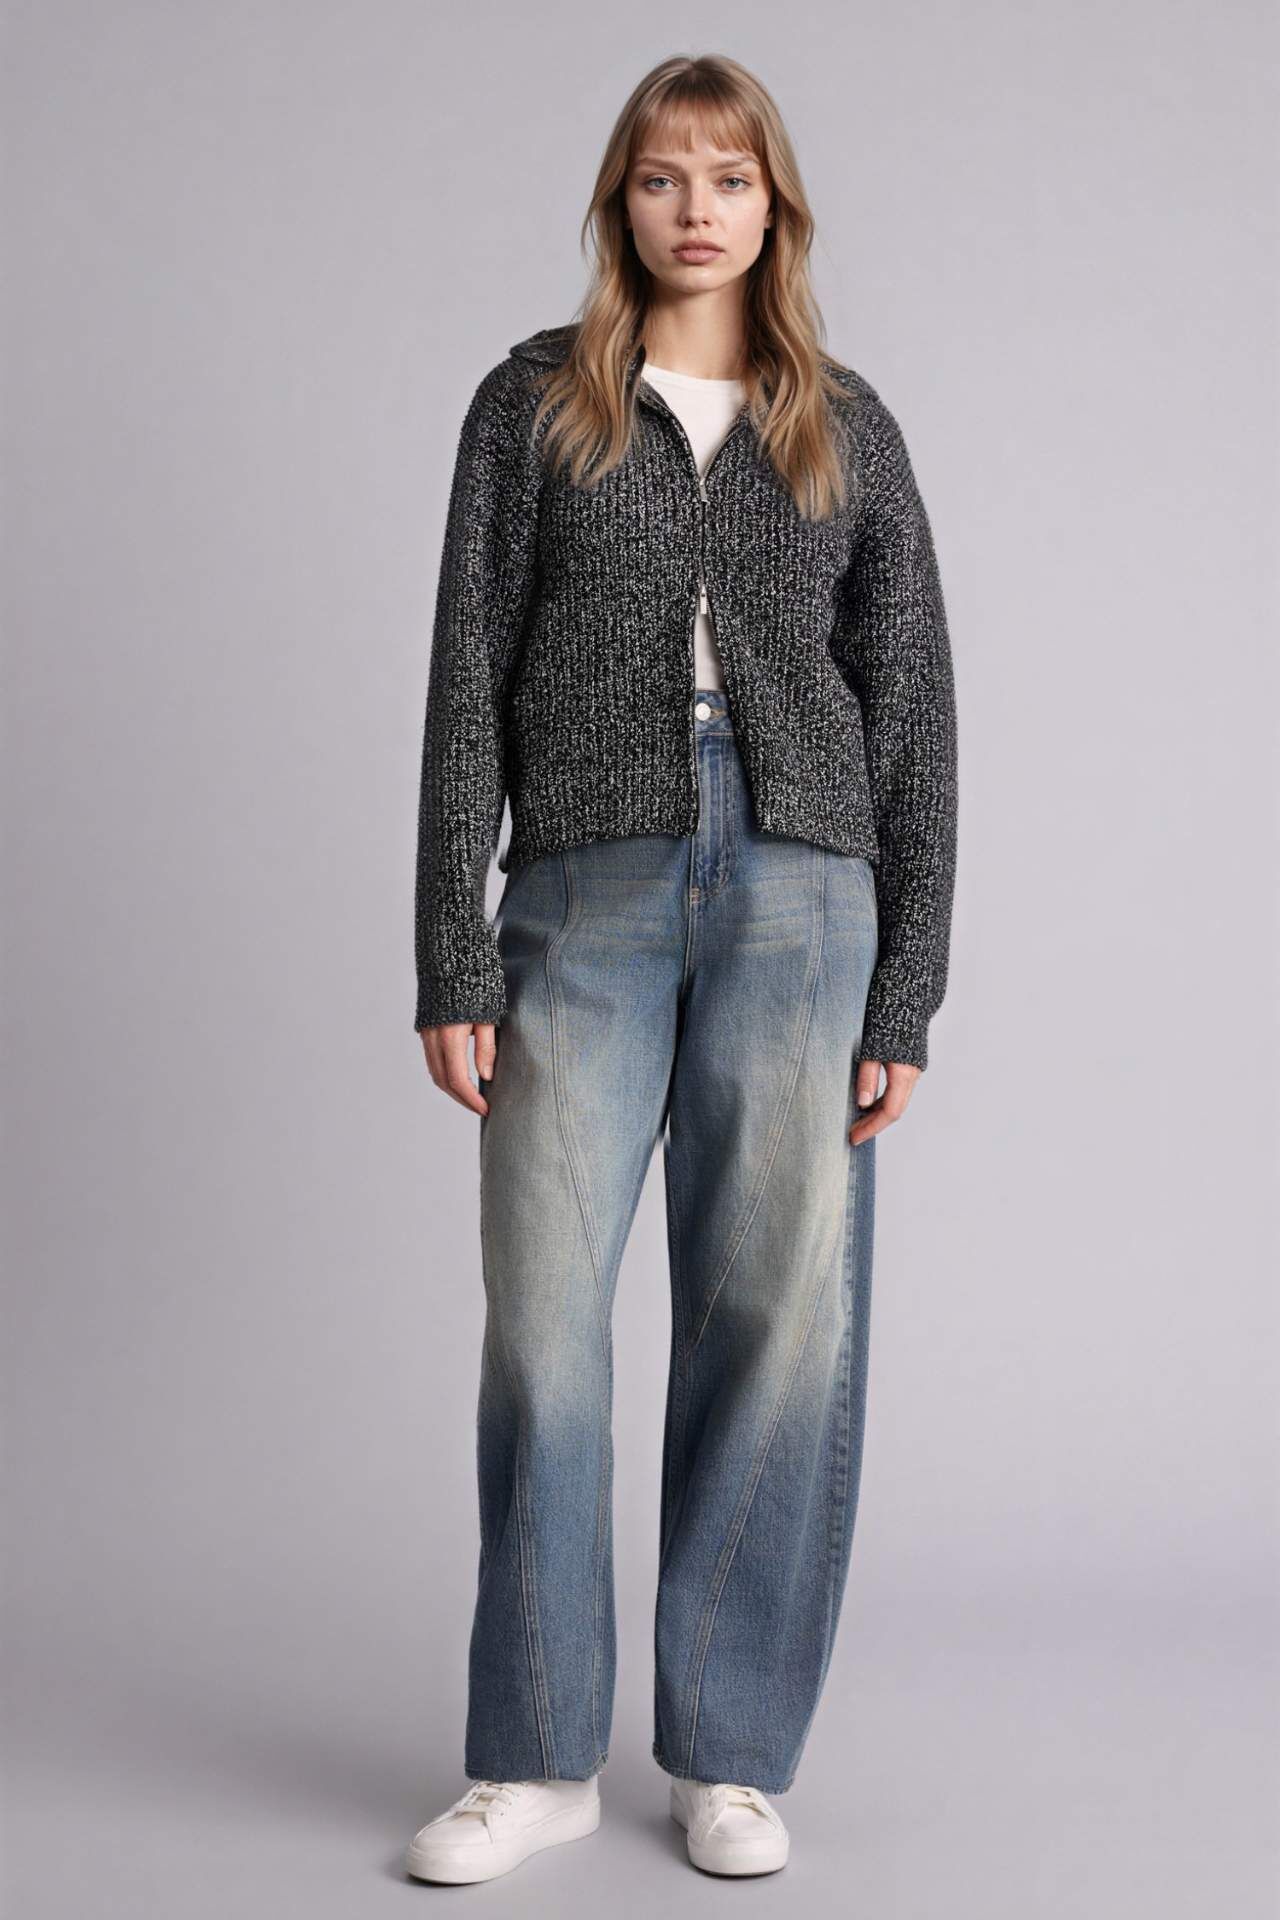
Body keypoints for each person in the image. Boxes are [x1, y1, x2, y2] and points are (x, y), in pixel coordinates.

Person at [405, 52, 959, 1885]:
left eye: (729, 178)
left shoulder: (847, 428)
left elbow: (914, 712)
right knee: (544, 1320)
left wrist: (907, 988)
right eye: (662, 178)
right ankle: (533, 1756)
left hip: (805, 894)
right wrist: (451, 949)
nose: (695, 209)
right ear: (620, 203)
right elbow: (466, 675)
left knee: (774, 1321)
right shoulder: (532, 407)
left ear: (774, 206)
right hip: (589, 887)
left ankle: (728, 1752)